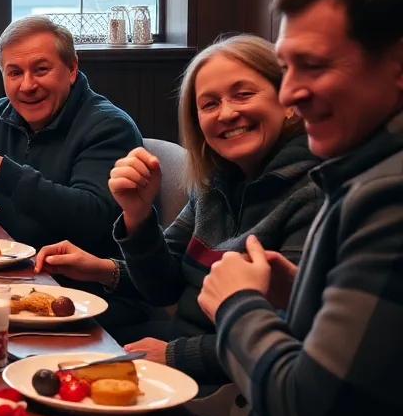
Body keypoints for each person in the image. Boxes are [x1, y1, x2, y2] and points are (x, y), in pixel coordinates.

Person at [197, 0, 403, 416]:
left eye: (312, 65)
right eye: (286, 68)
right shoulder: (360, 174)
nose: (289, 94)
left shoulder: (388, 196)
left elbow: (306, 414)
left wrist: (238, 305)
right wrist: (298, 299)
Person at [35, 35, 321, 392]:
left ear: (289, 100)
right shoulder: (214, 183)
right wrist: (136, 217)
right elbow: (164, 286)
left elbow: (297, 341)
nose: (228, 112)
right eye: (210, 103)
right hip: (182, 355)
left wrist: (176, 356)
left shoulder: (313, 193)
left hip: (236, 391)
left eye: (243, 94)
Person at [0, 15, 142, 257]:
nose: (27, 85)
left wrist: (2, 174)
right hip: (6, 265)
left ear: (71, 69)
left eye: (41, 70)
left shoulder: (109, 127)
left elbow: (95, 221)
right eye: (14, 73)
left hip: (76, 282)